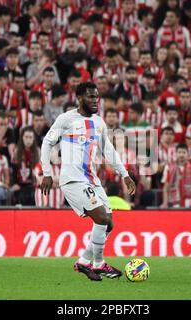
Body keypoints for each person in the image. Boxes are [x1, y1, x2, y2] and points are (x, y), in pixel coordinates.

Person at [40, 82, 136, 281]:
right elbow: (47, 143)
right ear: (79, 98)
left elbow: (108, 150)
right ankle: (99, 263)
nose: (95, 101)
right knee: (101, 218)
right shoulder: (66, 119)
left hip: (91, 179)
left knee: (108, 223)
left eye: (97, 97)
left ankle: (84, 261)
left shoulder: (99, 123)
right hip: (73, 180)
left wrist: (124, 174)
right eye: (91, 97)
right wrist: (47, 173)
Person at [161, 143, 191, 209]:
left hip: (189, 205)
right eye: (179, 152)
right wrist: (165, 203)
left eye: (184, 152)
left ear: (188, 154)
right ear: (176, 154)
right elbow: (165, 187)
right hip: (173, 205)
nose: (181, 155)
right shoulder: (169, 168)